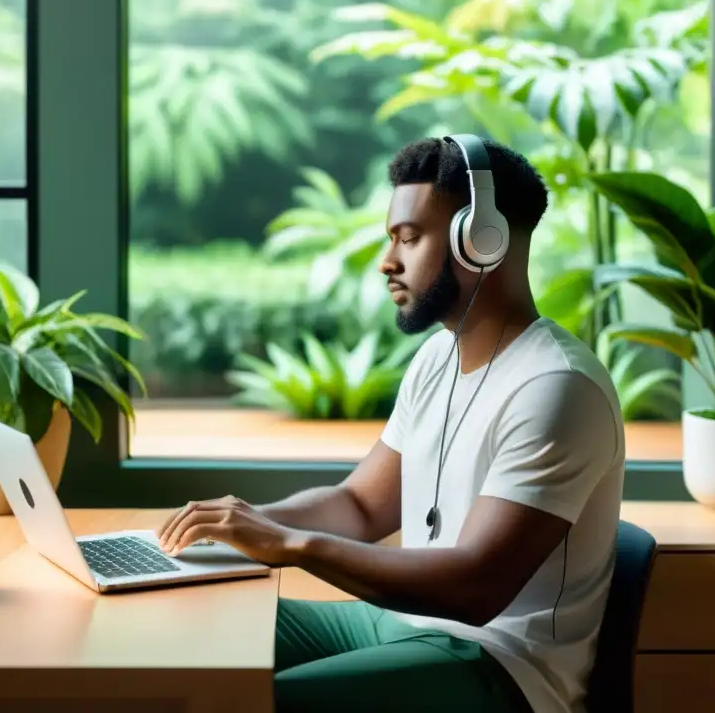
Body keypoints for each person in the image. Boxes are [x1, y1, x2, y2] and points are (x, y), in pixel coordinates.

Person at [156, 136, 625, 713]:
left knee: (236, 698)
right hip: (395, 627)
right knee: (181, 625)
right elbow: (359, 506)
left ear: (481, 241)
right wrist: (231, 526)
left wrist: (291, 544)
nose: (388, 261)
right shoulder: (436, 360)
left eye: (409, 237)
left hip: (497, 669)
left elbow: (475, 587)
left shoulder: (558, 386)